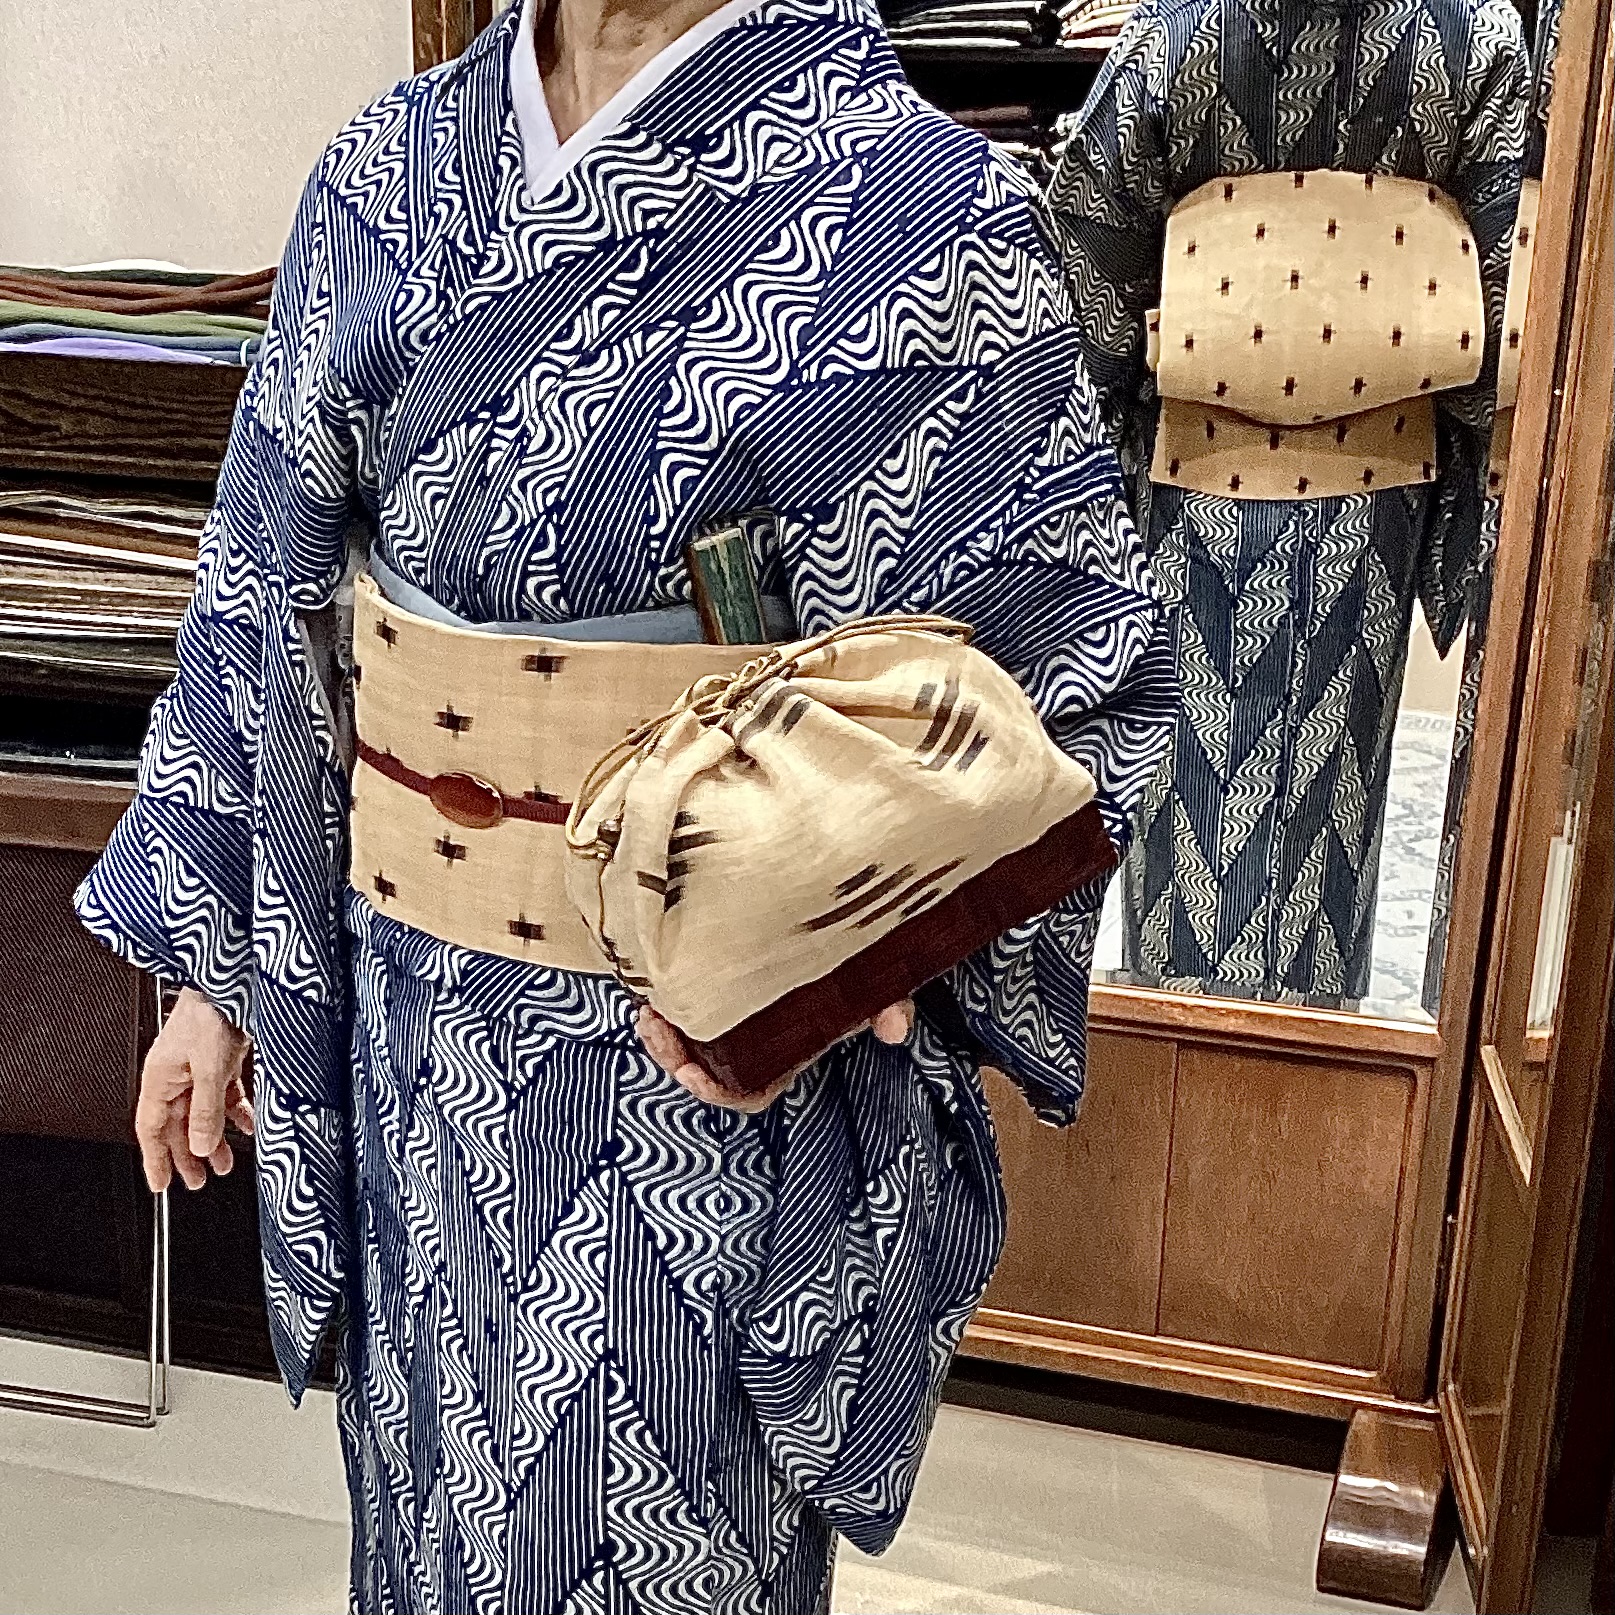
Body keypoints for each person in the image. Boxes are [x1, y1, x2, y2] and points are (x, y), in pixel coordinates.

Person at [75, 0, 1174, 1607]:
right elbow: (259, 590)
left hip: (700, 1074)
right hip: (407, 1039)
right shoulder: (385, 173)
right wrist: (214, 978)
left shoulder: (916, 204)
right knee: (427, 1525)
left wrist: (878, 943)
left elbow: (1067, 671)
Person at [1048, 0, 1527, 1007]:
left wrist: (1138, 391)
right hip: (1372, 496)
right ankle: (1314, 1043)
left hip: (1197, 486)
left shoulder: (1174, 38)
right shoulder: (1470, 37)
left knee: (1193, 787)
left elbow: (1090, 275)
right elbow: (1496, 303)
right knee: (1326, 804)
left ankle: (1183, 1038)